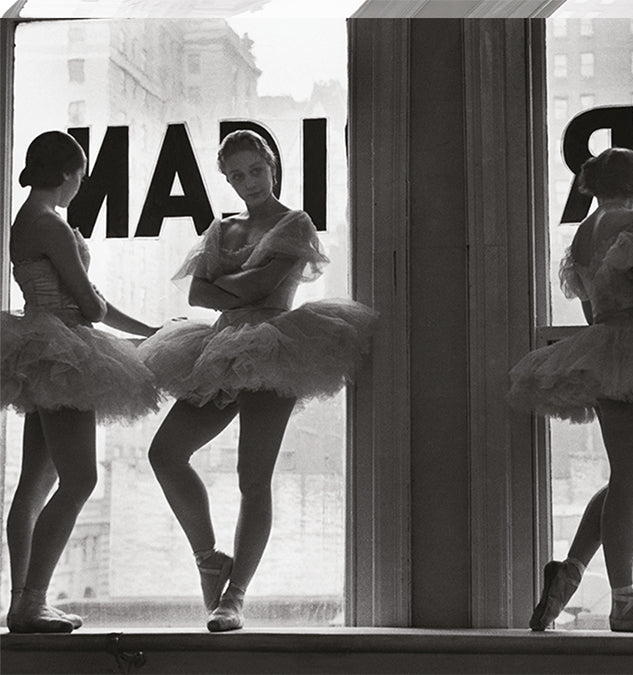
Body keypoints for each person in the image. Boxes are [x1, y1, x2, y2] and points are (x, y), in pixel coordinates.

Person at [139, 130, 377, 632]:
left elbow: (262, 287)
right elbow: (197, 298)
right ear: (227, 179)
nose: (249, 182)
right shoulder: (221, 229)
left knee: (253, 477)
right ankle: (209, 558)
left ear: (272, 166)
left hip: (276, 348)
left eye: (256, 170)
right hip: (218, 349)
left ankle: (236, 597)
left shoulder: (295, 222)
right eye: (237, 175)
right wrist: (232, 289)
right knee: (164, 453)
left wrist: (223, 285)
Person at [508, 147, 633, 633]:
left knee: (631, 477)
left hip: (603, 342)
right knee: (630, 478)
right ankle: (624, 601)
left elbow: (588, 304)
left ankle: (569, 573)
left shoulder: (584, 232)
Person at [2, 131, 160, 633]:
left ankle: (20, 599)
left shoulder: (25, 219)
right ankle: (32, 601)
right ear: (68, 174)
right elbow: (91, 306)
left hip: (42, 343)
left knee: (35, 483)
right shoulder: (49, 223)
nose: (81, 184)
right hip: (64, 351)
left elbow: (87, 301)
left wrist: (148, 332)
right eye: (82, 174)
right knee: (80, 480)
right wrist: (148, 332)